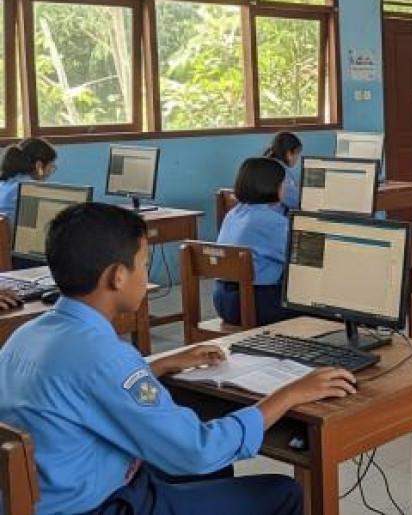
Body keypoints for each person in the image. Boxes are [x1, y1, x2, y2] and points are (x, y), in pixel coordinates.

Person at [0, 202, 357, 515]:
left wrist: (157, 365)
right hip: (103, 506)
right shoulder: (107, 359)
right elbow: (198, 450)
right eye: (144, 264)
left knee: (210, 470)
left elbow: (81, 386)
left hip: (48, 498)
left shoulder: (26, 336)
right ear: (118, 276)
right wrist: (289, 394)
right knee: (282, 492)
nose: (146, 275)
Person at [214, 158, 298, 326]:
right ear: (273, 186)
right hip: (254, 303)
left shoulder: (234, 214)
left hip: (223, 299)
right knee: (325, 306)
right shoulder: (273, 222)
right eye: (284, 183)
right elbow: (301, 260)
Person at [0, 137, 57, 223]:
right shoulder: (29, 189)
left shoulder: (4, 183)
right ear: (39, 166)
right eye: (51, 167)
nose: (50, 173)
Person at [263, 131, 302, 212]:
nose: (298, 157)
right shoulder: (280, 172)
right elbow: (298, 202)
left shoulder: (266, 164)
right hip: (274, 216)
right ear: (288, 153)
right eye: (297, 153)